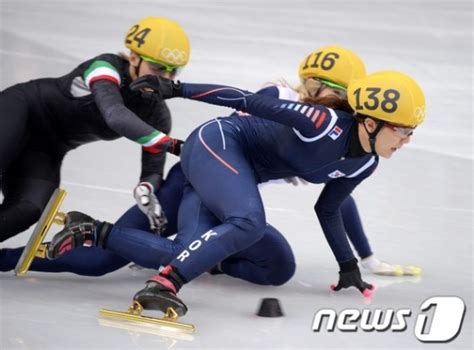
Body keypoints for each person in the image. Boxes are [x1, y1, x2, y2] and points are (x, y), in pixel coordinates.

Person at [45, 68, 426, 316]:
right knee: (248, 222)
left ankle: (92, 229)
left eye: (412, 133)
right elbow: (244, 99)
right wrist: (174, 88)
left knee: (278, 266)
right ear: (373, 123)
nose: (407, 141)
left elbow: (329, 209)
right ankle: (165, 283)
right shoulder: (322, 121)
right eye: (403, 131)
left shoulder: (366, 162)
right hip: (218, 143)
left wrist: (348, 266)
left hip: (229, 178)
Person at [0, 16, 189, 242]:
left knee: (29, 208)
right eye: (158, 68)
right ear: (133, 57)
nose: (165, 78)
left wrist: (147, 189)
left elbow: (153, 170)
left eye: (174, 71)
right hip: (23, 110)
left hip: (46, 150)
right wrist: (175, 145)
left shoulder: (156, 114)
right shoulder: (105, 67)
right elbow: (115, 115)